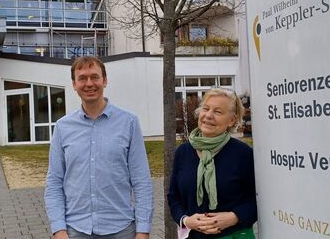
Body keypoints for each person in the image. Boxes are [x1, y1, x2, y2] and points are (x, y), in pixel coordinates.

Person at [45, 56, 154, 239]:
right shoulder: (62, 127)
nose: (89, 84)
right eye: (82, 78)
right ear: (74, 84)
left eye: (94, 77)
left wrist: (143, 230)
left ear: (105, 80)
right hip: (75, 230)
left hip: (121, 230)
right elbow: (54, 182)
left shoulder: (129, 123)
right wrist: (58, 229)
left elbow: (141, 180)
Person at [167, 88, 257, 238]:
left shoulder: (243, 154)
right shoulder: (183, 152)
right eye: (206, 108)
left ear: (232, 120)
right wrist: (186, 220)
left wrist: (234, 217)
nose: (208, 115)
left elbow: (256, 200)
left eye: (218, 112)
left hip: (234, 235)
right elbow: (173, 197)